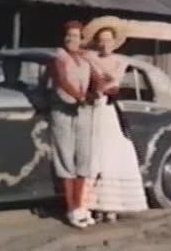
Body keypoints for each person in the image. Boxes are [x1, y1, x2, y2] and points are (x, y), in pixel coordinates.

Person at [82, 16, 148, 223]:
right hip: (93, 110)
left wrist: (102, 80)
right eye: (101, 40)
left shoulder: (121, 61)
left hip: (109, 111)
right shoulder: (89, 57)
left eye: (108, 40)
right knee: (94, 156)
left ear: (114, 41)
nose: (105, 44)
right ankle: (93, 205)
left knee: (113, 155)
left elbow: (113, 85)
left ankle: (112, 206)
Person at [49, 21, 96, 228]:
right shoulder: (58, 57)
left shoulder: (86, 59)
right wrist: (78, 96)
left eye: (76, 36)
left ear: (81, 39)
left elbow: (97, 79)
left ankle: (81, 206)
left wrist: (103, 87)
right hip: (63, 111)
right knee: (65, 159)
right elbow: (61, 81)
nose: (71, 40)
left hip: (84, 112)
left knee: (84, 158)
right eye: (68, 36)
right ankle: (71, 208)